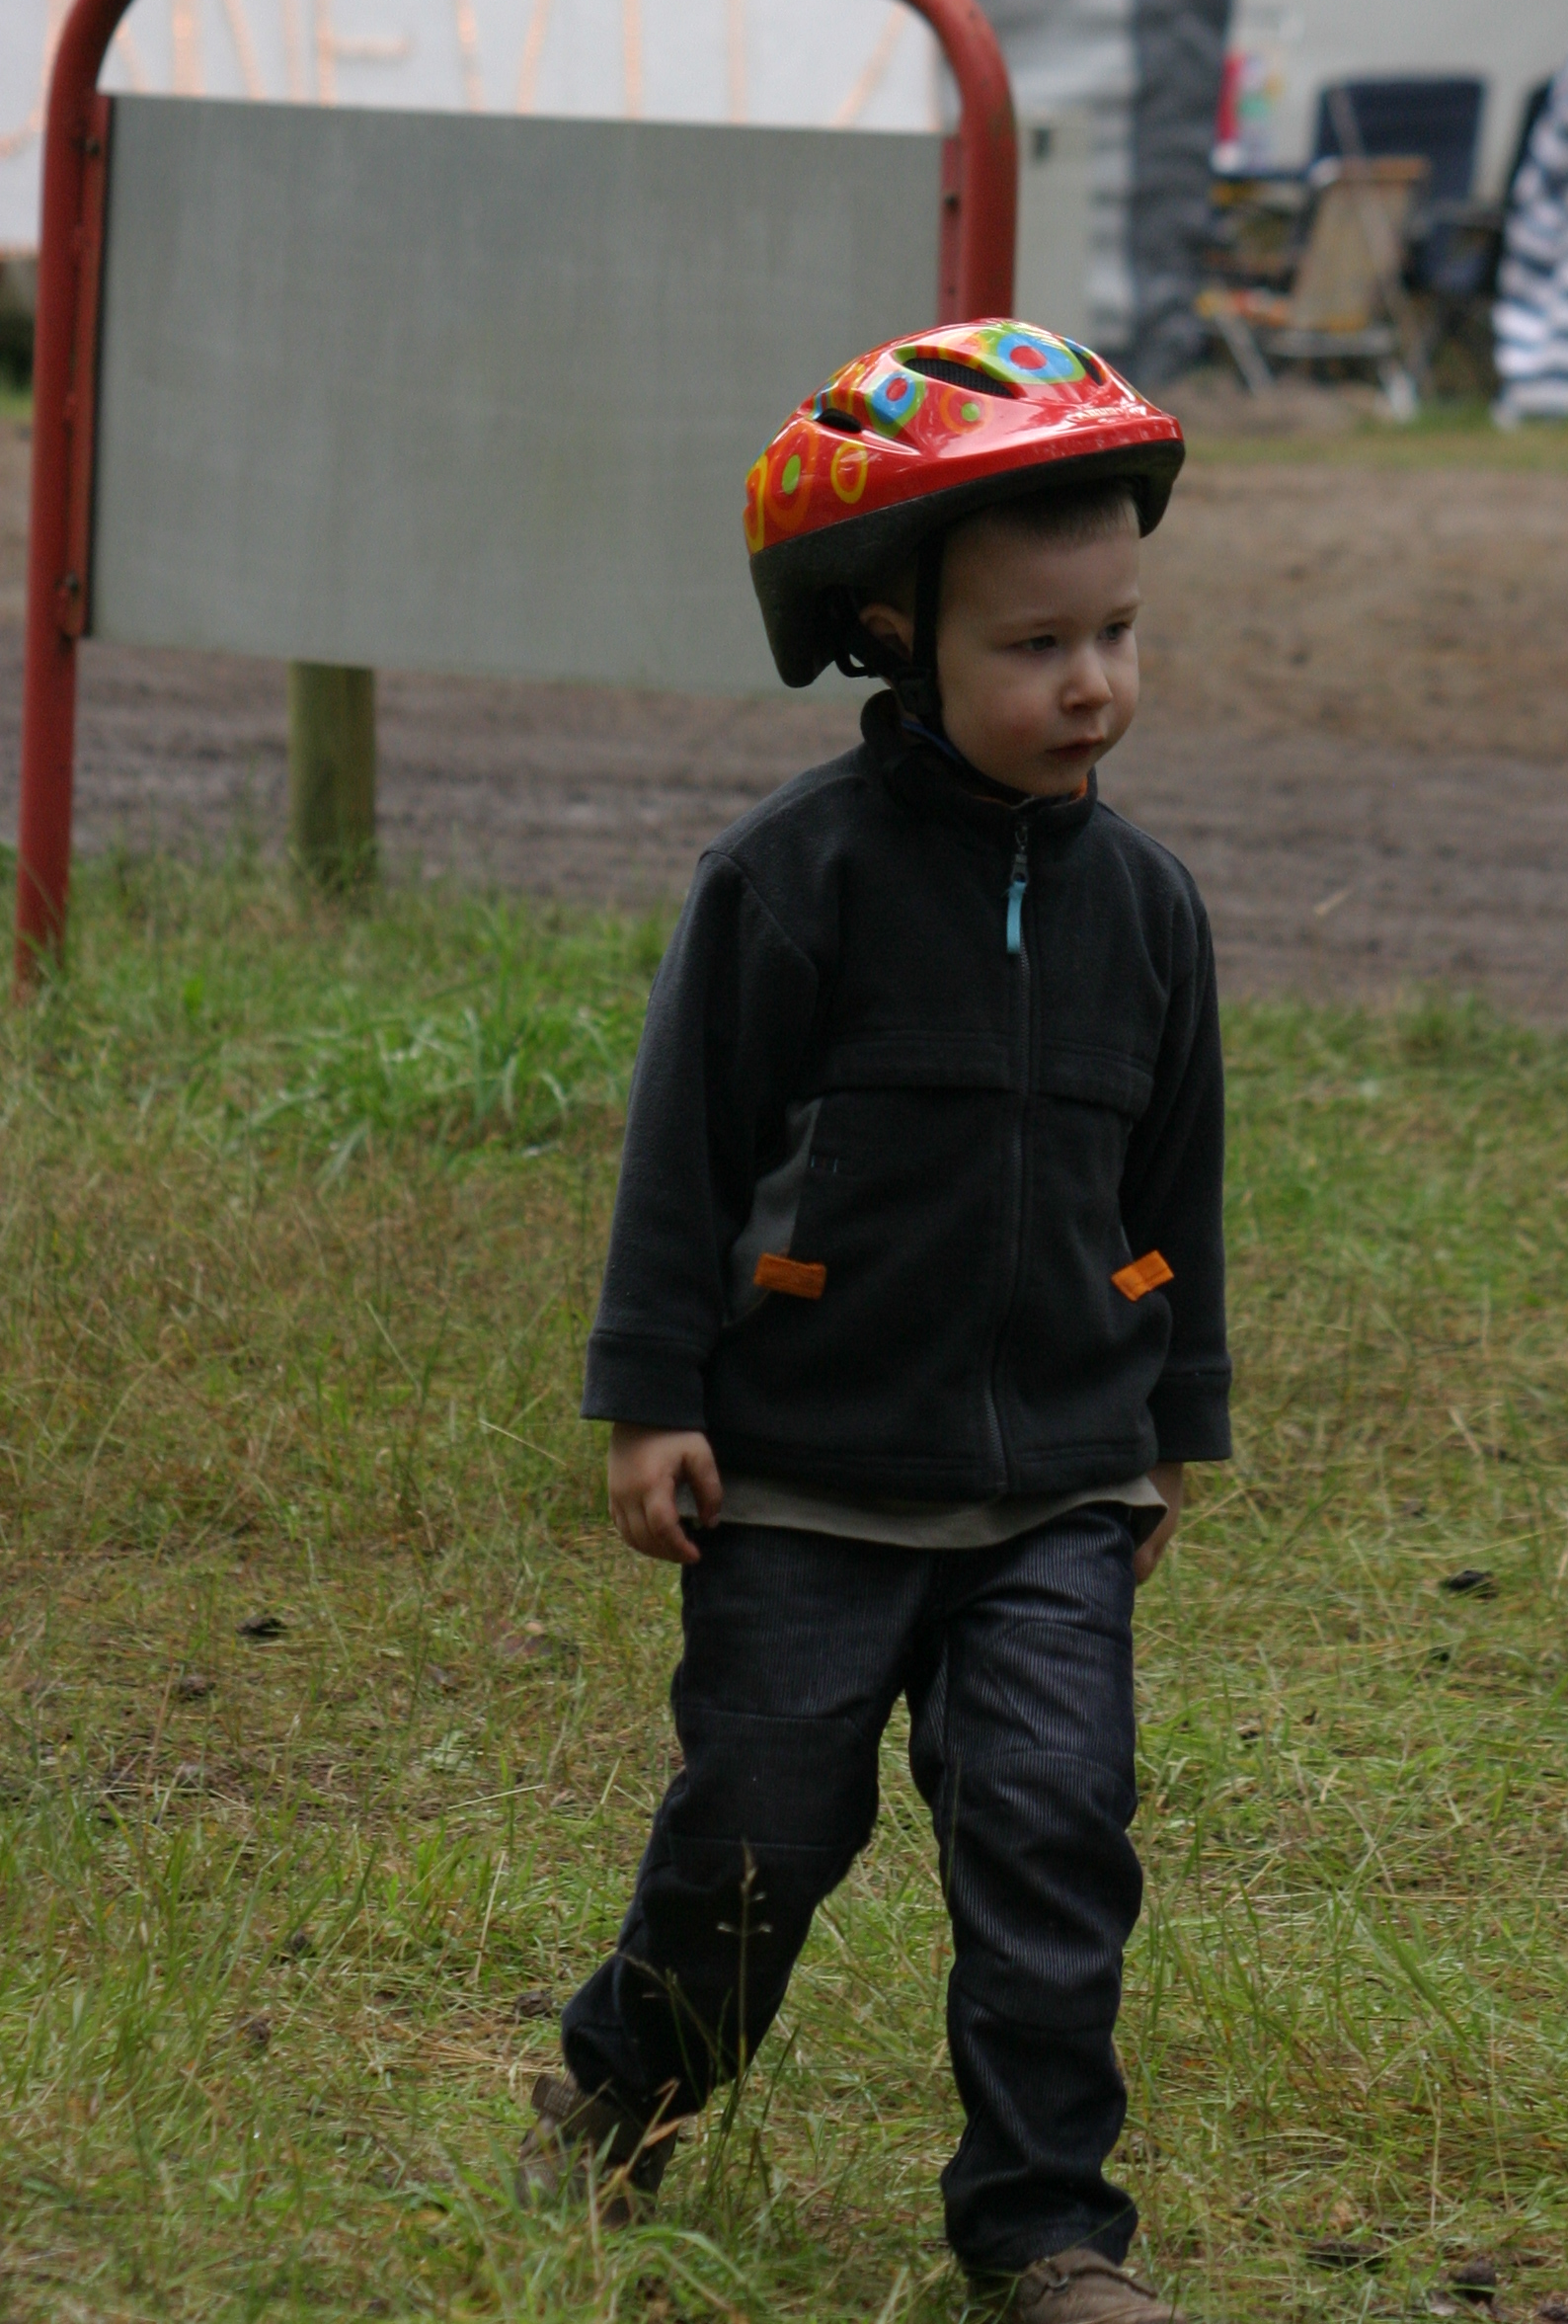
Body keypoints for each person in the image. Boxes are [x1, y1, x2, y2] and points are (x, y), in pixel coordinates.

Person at [516, 318, 1230, 2323]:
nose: (1091, 685)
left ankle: (1045, 2231)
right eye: (1035, 644)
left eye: (1117, 633)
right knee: (756, 1833)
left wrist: (1170, 1423)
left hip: (1053, 1489)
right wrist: (651, 1395)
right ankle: (626, 2096)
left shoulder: (1148, 909)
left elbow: (1174, 1189)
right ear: (894, 635)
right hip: (806, 1478)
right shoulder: (788, 881)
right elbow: (685, 1151)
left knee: (1053, 1831)